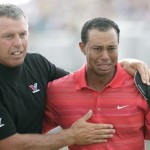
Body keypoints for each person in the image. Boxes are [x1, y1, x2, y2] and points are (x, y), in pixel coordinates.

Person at [0, 4, 149, 150]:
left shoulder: (37, 64)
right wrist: (71, 136)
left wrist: (118, 64)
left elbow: (80, 82)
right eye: (8, 36)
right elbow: (7, 144)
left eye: (22, 34)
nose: (18, 43)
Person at [43, 17, 150, 150]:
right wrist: (69, 136)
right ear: (82, 48)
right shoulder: (57, 91)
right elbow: (25, 139)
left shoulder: (141, 86)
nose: (105, 56)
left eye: (111, 48)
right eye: (97, 49)